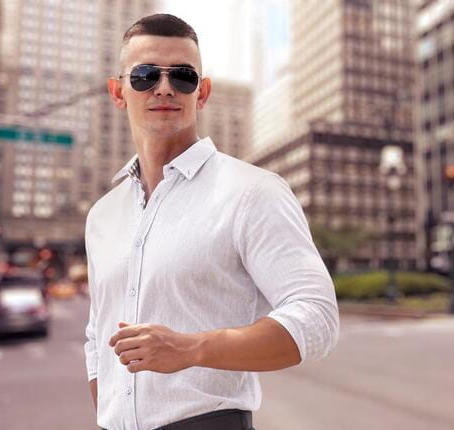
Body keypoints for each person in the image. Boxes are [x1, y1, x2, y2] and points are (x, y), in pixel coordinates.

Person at [83, 14, 339, 430]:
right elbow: (97, 336)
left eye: (182, 76)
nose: (164, 87)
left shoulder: (253, 192)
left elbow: (317, 317)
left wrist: (192, 349)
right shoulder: (102, 216)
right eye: (145, 75)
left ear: (201, 93)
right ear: (118, 91)